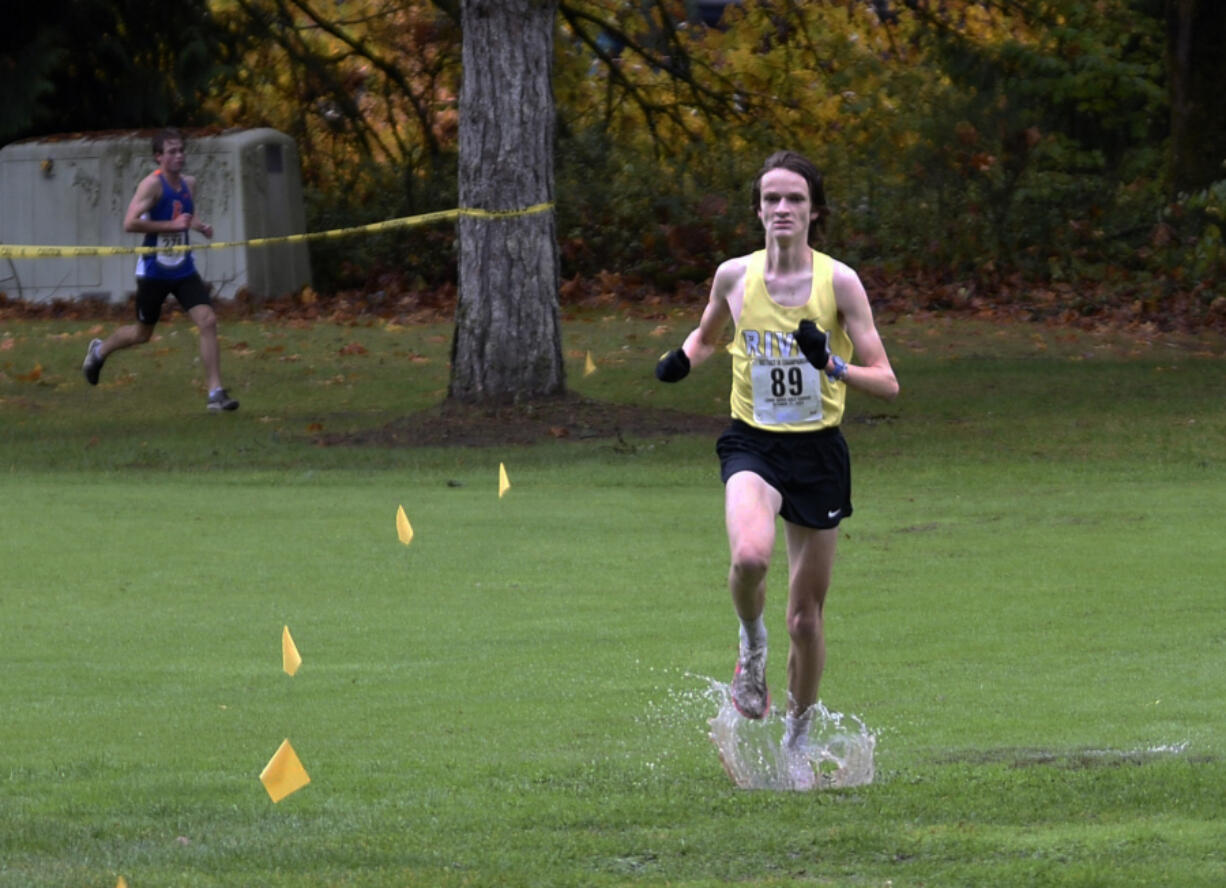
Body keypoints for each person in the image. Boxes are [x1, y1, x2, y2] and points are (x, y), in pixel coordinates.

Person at [655, 150, 898, 784]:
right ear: (758, 209)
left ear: (815, 211)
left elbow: (888, 382)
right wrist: (682, 359)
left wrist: (832, 365)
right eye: (771, 199)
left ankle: (798, 736)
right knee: (750, 558)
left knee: (805, 617)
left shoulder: (839, 283)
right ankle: (750, 647)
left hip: (817, 454)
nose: (782, 209)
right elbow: (709, 335)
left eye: (794, 199)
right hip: (753, 444)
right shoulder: (733, 276)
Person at [82, 128, 238, 411]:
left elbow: (185, 213)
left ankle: (215, 393)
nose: (179, 156)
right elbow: (130, 223)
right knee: (142, 334)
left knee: (208, 321)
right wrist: (171, 227)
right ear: (158, 157)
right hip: (154, 271)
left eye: (181, 150)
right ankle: (99, 351)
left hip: (183, 268)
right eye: (171, 152)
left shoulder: (189, 183)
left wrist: (199, 226)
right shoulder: (151, 186)